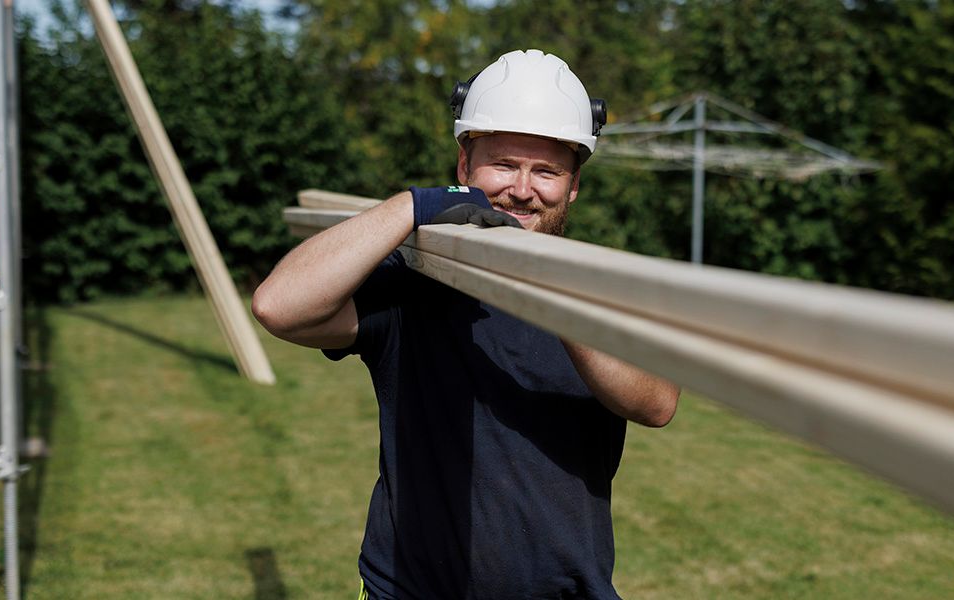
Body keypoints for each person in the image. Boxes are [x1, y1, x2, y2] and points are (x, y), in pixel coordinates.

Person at [252, 49, 680, 599]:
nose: (522, 190)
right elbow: (278, 306)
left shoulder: (601, 292)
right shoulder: (415, 283)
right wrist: (413, 207)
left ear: (573, 186)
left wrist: (554, 291)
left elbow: (656, 403)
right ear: (464, 168)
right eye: (503, 164)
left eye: (546, 171)